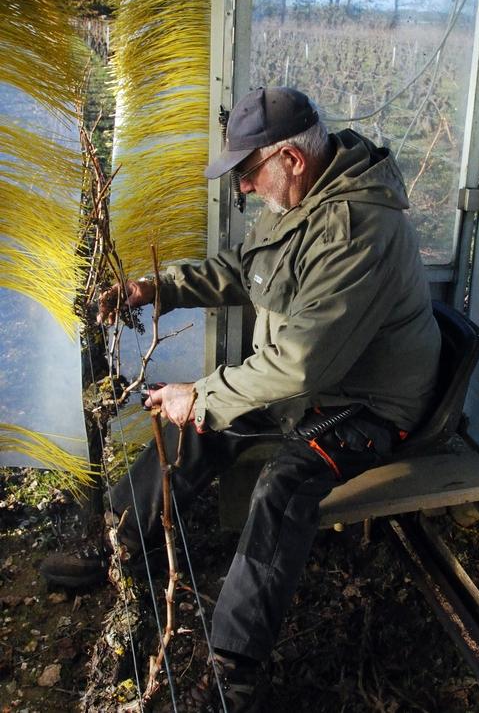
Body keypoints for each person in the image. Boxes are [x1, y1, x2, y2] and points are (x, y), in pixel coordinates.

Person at [41, 87, 441, 712]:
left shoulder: (359, 227)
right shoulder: (300, 201)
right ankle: (121, 538)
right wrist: (156, 287)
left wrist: (201, 394)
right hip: (304, 384)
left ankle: (233, 672)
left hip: (367, 403)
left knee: (282, 486)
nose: (246, 190)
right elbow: (242, 271)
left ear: (290, 158)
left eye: (249, 173)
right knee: (195, 425)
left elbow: (305, 360)